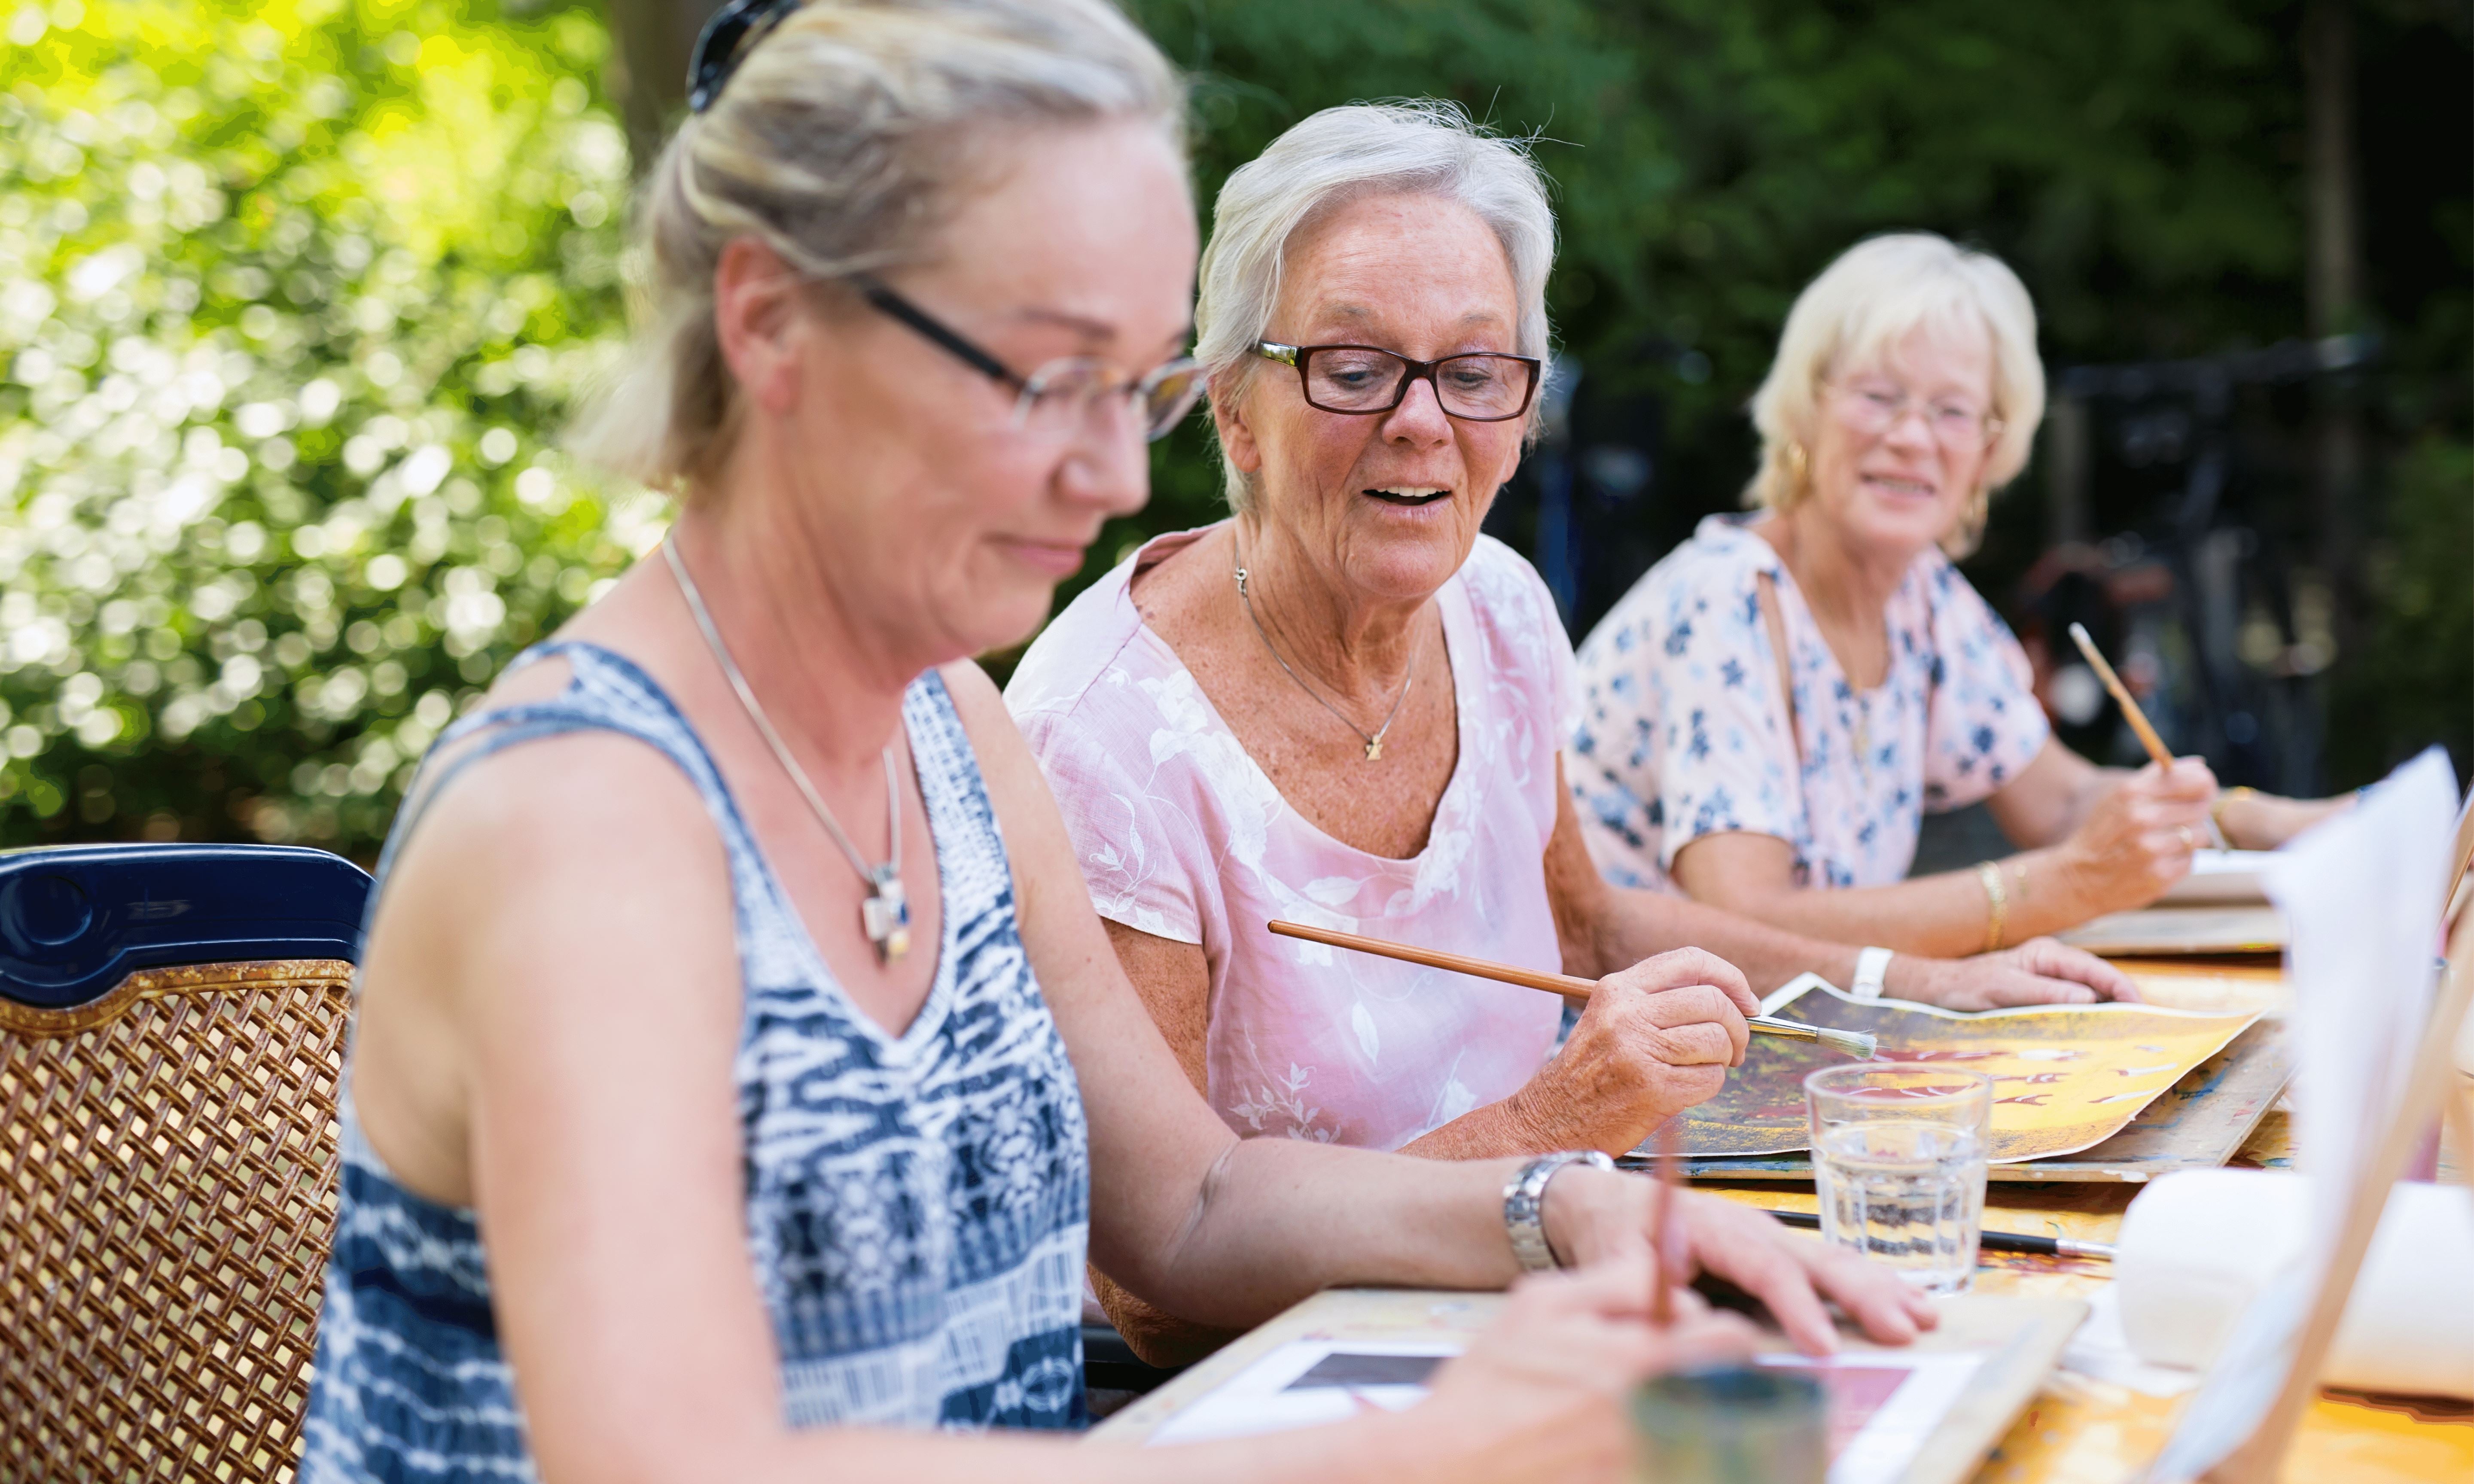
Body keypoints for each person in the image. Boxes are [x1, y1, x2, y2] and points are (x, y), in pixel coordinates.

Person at [298, 6, 1938, 1480]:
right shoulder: (581, 822)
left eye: (1127, 388)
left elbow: (1193, 1207)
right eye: (1041, 376)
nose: (1111, 478)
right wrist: (1428, 1447)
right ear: (771, 323)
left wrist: (1563, 1201)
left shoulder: (952, 732)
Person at [1004, 104, 2121, 1361]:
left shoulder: (1497, 607)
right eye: (1354, 370)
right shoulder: (1104, 742)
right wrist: (1551, 1132)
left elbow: (1588, 926)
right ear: (1234, 410)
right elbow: (1158, 1302)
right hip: (1302, 1374)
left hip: (1556, 1270)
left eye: (1475, 372)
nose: (1422, 421)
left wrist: (1917, 992)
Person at [1567, 233, 2352, 958]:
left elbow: (2065, 802)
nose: (1912, 437)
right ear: (1807, 409)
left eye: (1951, 411)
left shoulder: (1924, 600)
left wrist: (2263, 819)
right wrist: (2060, 885)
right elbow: (1745, 922)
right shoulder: (1726, 598)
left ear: (1987, 449)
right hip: (1620, 1040)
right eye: (1878, 396)